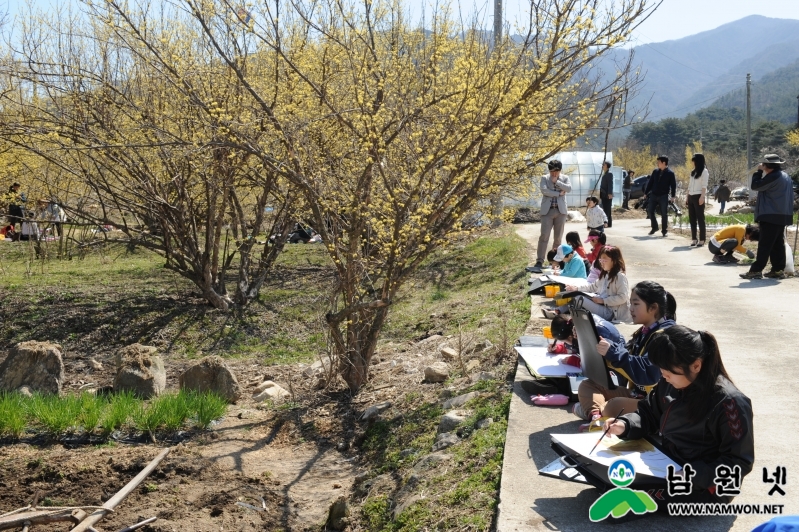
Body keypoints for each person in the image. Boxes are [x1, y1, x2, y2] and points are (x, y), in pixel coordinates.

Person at [603, 326, 754, 507]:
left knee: (622, 497)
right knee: (608, 477)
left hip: (706, 486)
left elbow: (739, 461)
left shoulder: (730, 403)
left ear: (696, 365)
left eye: (668, 371)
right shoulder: (671, 382)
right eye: (661, 370)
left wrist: (693, 475)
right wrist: (625, 424)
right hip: (670, 462)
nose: (664, 376)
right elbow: (650, 413)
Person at [575, 281, 677, 423]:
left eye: (636, 304)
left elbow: (647, 374)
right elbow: (625, 360)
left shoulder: (665, 336)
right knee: (587, 386)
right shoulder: (644, 332)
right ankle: (595, 415)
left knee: (612, 406)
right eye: (630, 303)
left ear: (653, 308)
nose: (630, 308)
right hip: (637, 394)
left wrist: (614, 352)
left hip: (655, 401)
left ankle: (596, 412)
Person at [522, 314, 624, 399]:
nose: (567, 344)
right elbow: (574, 346)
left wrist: (576, 361)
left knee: (579, 382)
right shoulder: (579, 326)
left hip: (614, 375)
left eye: (566, 341)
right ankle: (548, 383)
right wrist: (558, 348)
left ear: (571, 336)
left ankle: (557, 389)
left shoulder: (597, 333)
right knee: (569, 376)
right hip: (605, 368)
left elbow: (596, 365)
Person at [739, 154, 796, 280]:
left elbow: (755, 186)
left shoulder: (773, 177)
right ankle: (777, 270)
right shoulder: (785, 176)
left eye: (763, 164)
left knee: (765, 244)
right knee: (777, 244)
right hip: (782, 214)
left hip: (771, 214)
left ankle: (756, 270)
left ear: (766, 166)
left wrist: (758, 172)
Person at [545, 246, 631, 323]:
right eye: (600, 260)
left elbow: (622, 297)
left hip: (611, 313)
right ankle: (558, 311)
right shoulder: (605, 275)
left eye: (604, 260)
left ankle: (565, 316)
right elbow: (592, 287)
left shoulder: (620, 277)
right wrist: (576, 288)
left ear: (614, 261)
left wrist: (603, 301)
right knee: (575, 295)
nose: (601, 262)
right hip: (602, 306)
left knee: (578, 298)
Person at [534, 160, 572, 270]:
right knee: (544, 236)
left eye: (556, 172)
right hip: (547, 211)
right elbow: (545, 191)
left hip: (561, 211)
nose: (554, 174)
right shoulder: (544, 178)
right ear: (549, 171)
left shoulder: (564, 178)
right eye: (552, 172)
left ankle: (555, 261)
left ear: (560, 171)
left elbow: (568, 189)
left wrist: (558, 183)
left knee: (558, 238)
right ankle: (539, 260)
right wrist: (558, 193)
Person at [643, 156, 676, 237]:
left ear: (664, 163)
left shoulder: (670, 173)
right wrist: (646, 193)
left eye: (659, 162)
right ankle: (655, 227)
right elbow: (650, 183)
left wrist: (673, 196)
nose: (657, 164)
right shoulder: (655, 171)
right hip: (654, 195)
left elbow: (673, 185)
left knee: (664, 214)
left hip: (663, 196)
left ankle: (664, 231)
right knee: (650, 211)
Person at [686, 153, 709, 247]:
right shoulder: (693, 172)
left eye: (694, 161)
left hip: (698, 195)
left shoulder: (704, 171)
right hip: (691, 196)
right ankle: (694, 239)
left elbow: (704, 186)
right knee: (692, 219)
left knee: (700, 218)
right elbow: (689, 185)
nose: (693, 163)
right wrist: (687, 197)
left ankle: (702, 239)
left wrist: (702, 197)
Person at [599, 161, 614, 228]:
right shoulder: (604, 174)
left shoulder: (609, 174)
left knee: (607, 209)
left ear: (607, 166)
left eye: (604, 165)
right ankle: (608, 223)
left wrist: (610, 193)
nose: (602, 166)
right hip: (603, 194)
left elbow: (610, 184)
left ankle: (607, 223)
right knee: (606, 209)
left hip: (607, 195)